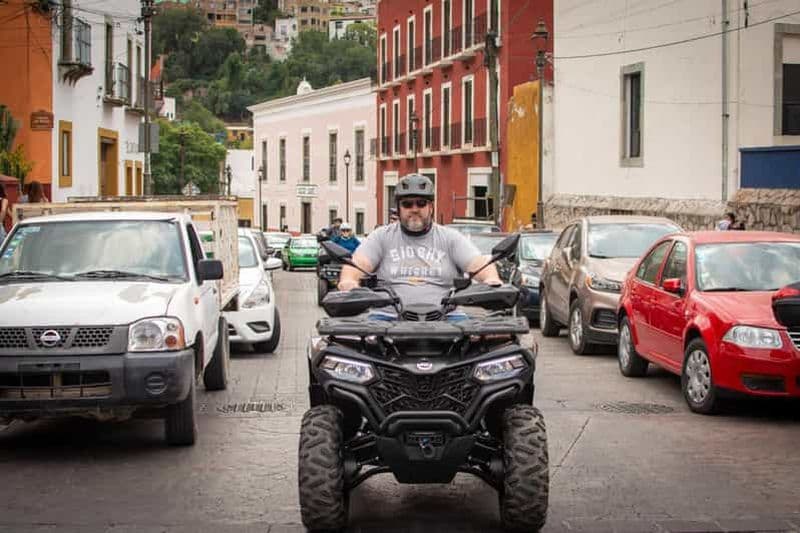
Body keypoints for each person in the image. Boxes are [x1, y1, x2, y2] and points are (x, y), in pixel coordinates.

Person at [337, 174, 502, 307]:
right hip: (387, 316)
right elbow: (358, 263)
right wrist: (349, 281)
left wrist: (491, 280)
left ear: (431, 207)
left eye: (421, 203)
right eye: (407, 204)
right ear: (398, 208)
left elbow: (478, 263)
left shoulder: (451, 238)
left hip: (446, 317)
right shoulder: (380, 237)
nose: (414, 209)